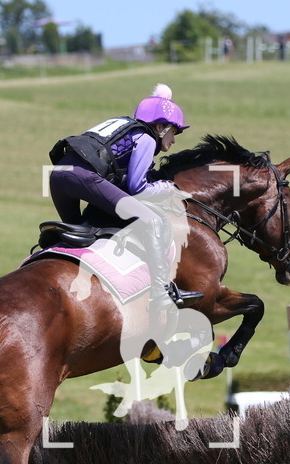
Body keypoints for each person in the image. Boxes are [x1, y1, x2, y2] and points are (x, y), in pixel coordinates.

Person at [48, 84, 203, 307]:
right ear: (161, 126)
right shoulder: (147, 138)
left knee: (76, 231)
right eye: (174, 132)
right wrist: (166, 187)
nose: (174, 139)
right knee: (151, 220)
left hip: (57, 177)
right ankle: (161, 293)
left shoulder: (122, 124)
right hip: (83, 178)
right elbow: (137, 187)